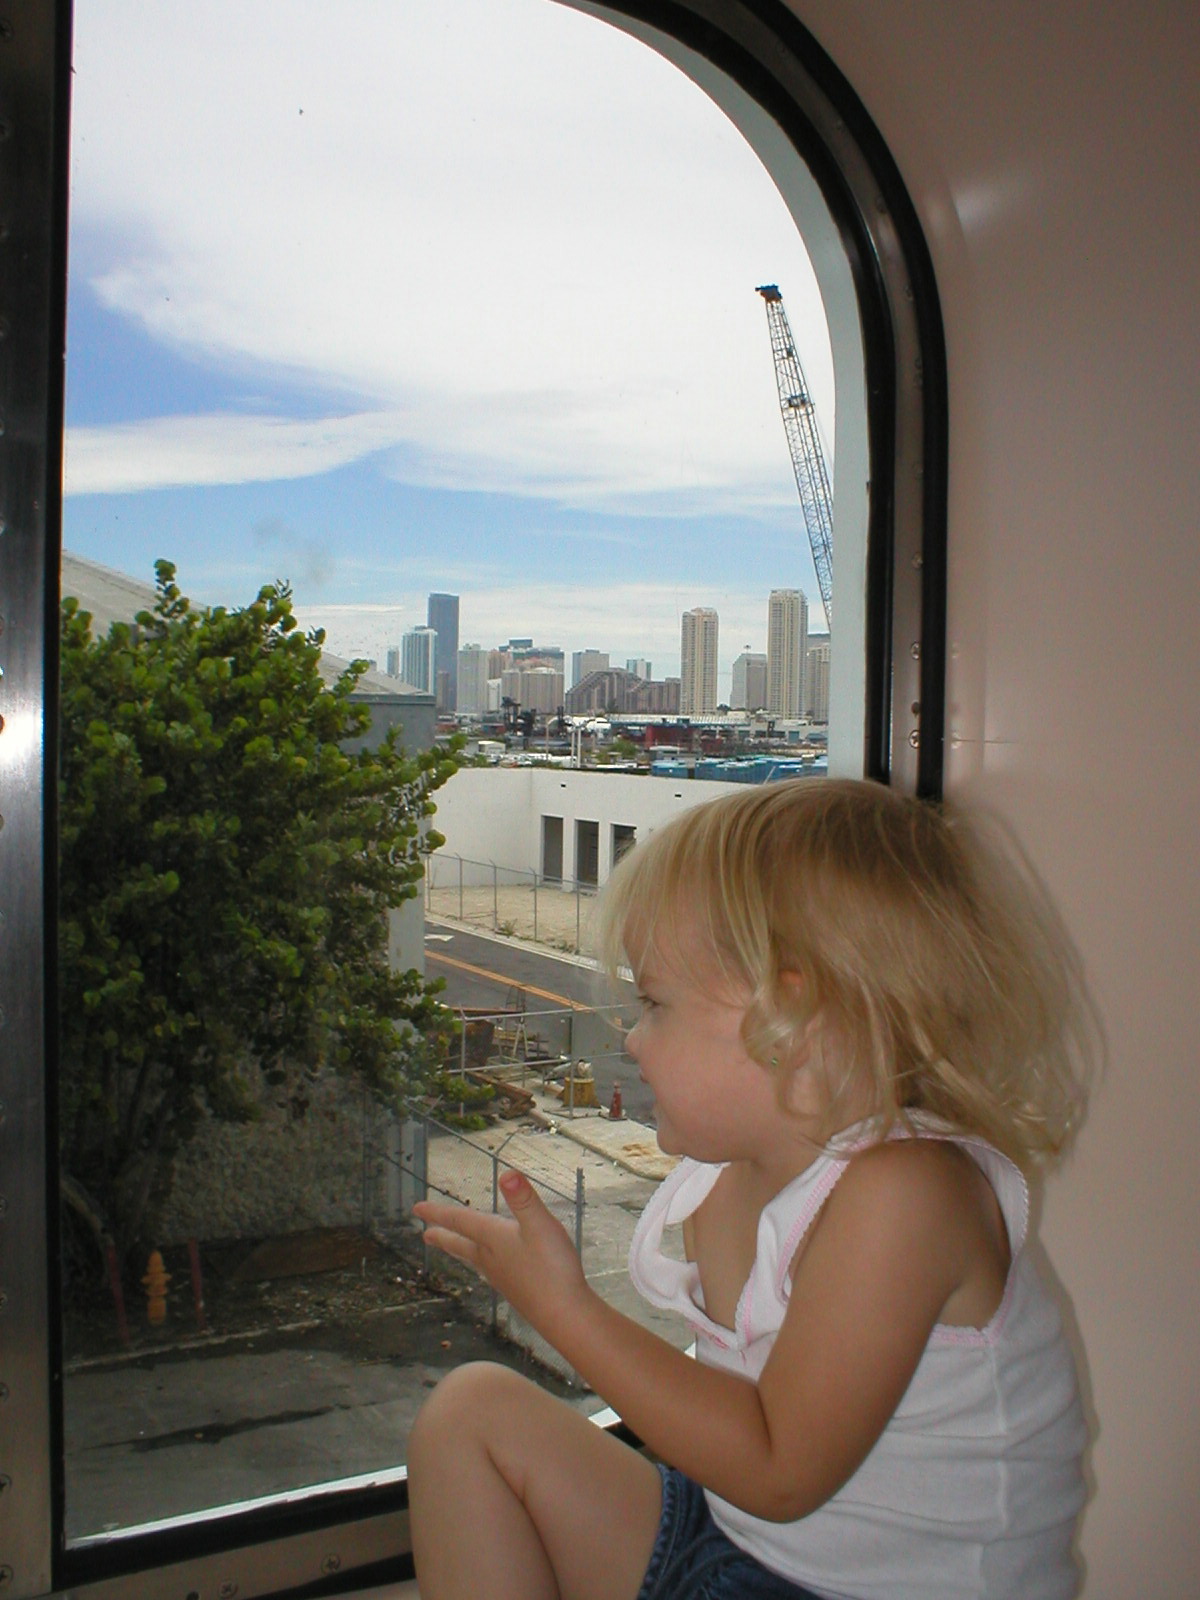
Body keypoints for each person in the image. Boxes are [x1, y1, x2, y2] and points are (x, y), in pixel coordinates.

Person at [409, 778, 1094, 1600]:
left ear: (793, 1023)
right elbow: (729, 1446)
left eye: (655, 1001)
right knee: (469, 1416)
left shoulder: (908, 1196)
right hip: (735, 1540)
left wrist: (563, 1309)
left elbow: (778, 1470)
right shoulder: (730, 1179)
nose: (631, 1034)